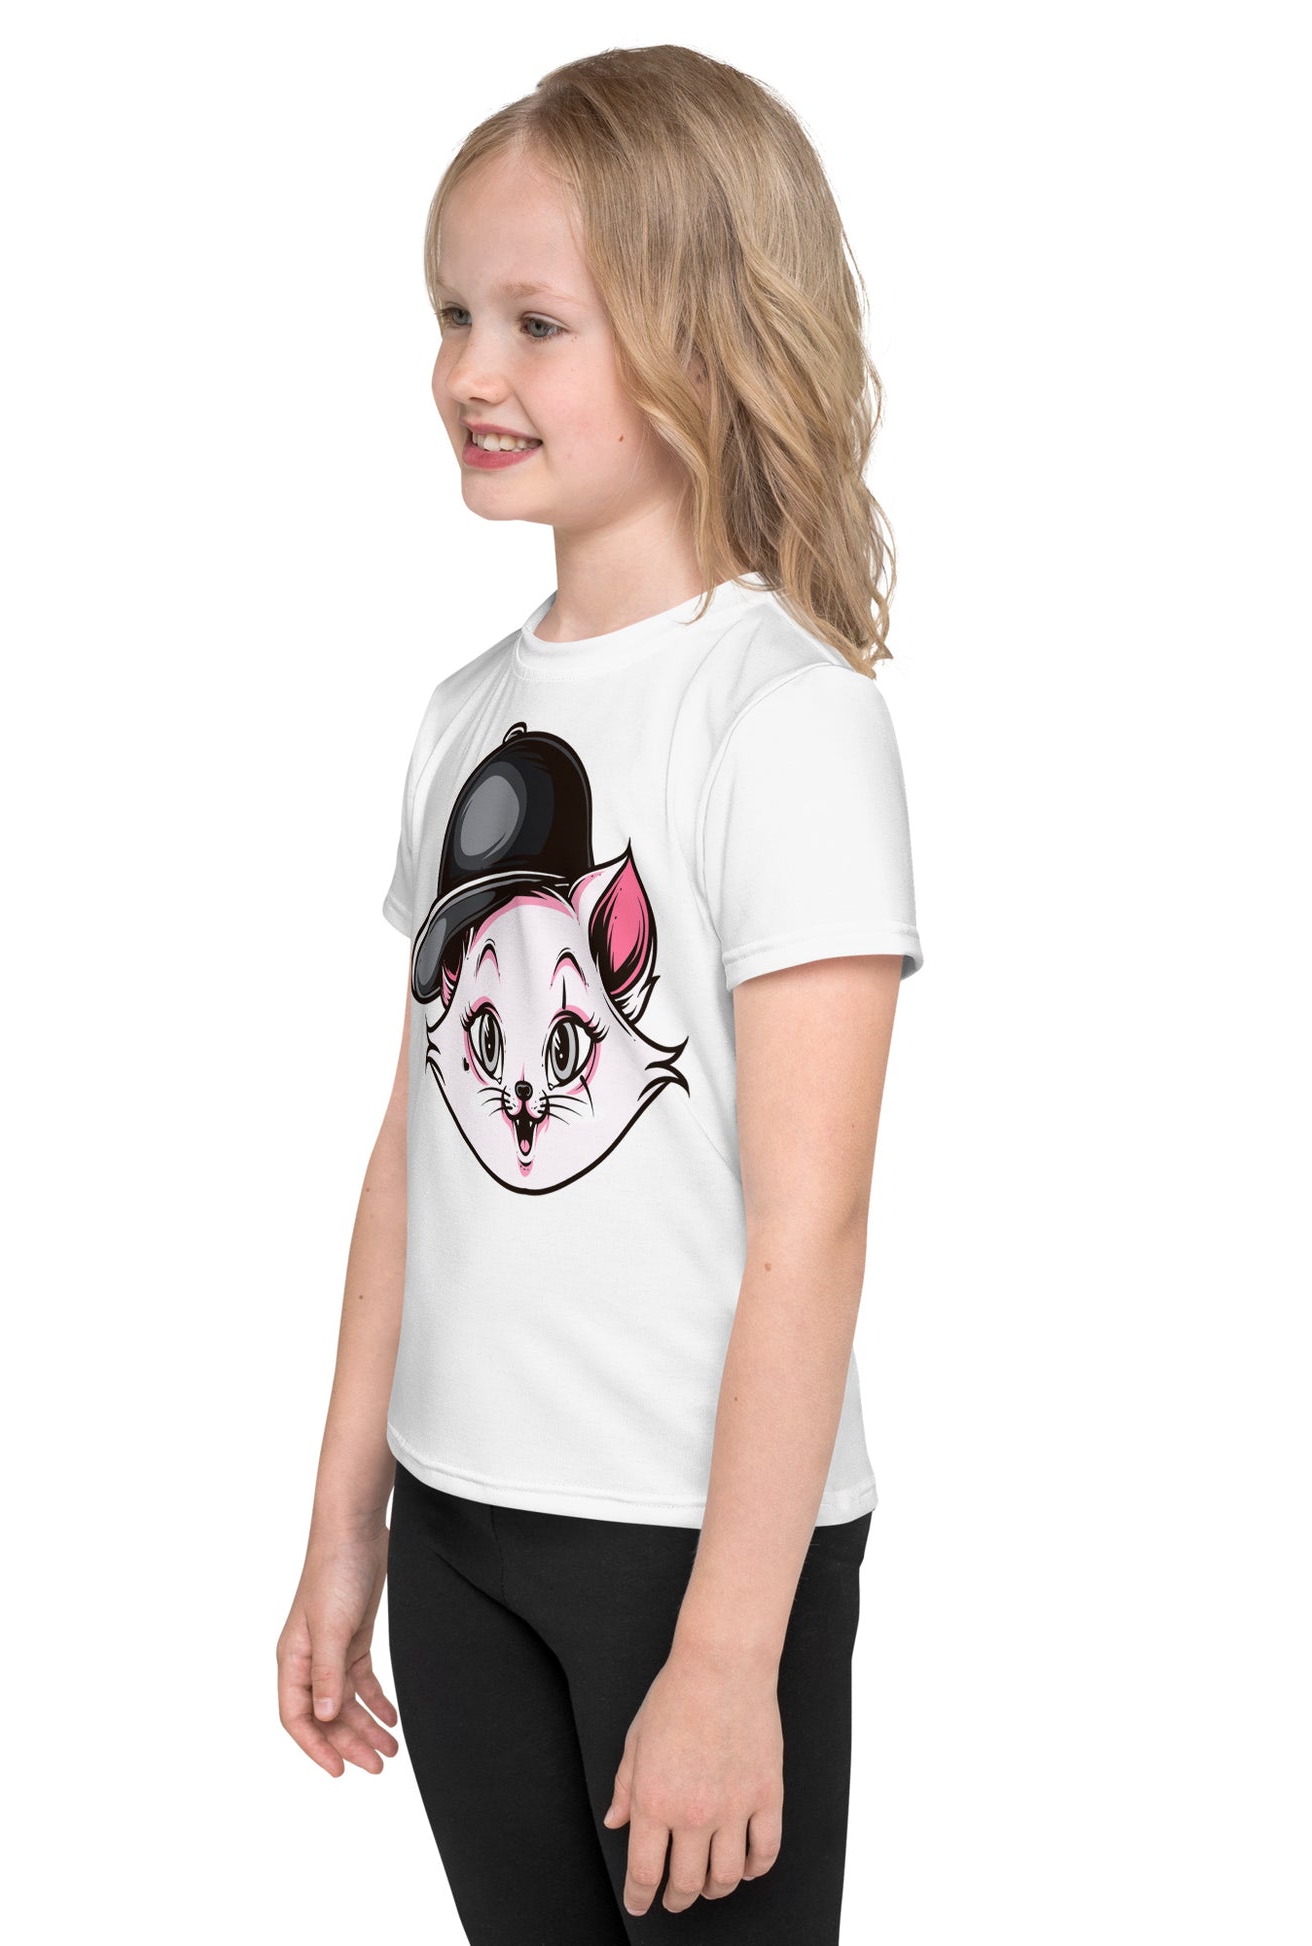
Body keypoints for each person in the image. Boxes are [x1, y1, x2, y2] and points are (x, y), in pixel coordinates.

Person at [277, 44, 923, 1942]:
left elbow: (811, 1223)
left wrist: (727, 1650)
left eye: (534, 324)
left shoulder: (783, 720)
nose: (466, 372)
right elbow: (413, 1150)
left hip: (692, 1551)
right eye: (451, 315)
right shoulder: (464, 715)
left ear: (702, 338)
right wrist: (346, 1524)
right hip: (459, 1532)